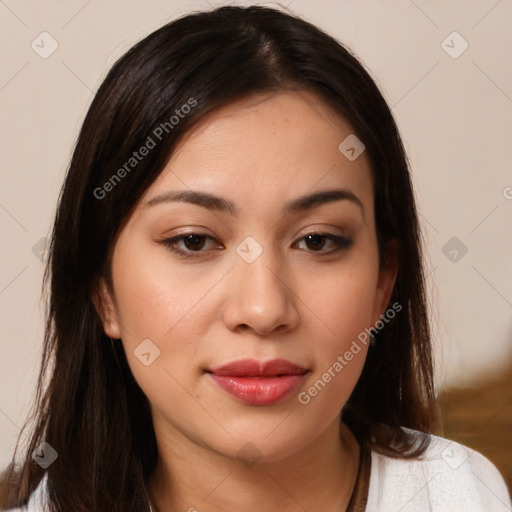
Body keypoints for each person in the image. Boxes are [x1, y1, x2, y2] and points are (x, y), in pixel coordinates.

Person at [1, 5, 510, 512]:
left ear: (383, 284)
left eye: (317, 241)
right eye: (194, 241)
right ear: (103, 291)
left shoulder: (458, 495)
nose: (264, 310)